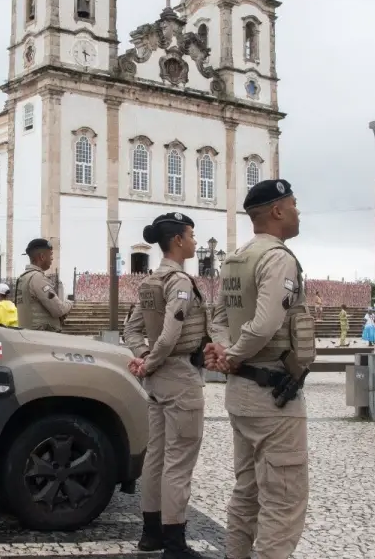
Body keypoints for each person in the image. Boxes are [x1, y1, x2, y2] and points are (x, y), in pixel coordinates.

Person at [203, 179, 312, 559]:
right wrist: (232, 354)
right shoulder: (277, 257)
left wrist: (224, 349)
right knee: (283, 500)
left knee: (247, 491)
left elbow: (217, 316)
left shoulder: (235, 258)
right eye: (294, 204)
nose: (299, 211)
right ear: (278, 211)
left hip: (241, 393)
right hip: (272, 395)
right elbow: (266, 324)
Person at [122, 212, 208, 559]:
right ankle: (175, 545)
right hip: (179, 376)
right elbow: (172, 333)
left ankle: (151, 535)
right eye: (191, 235)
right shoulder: (180, 282)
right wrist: (152, 362)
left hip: (157, 381)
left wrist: (143, 359)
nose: (195, 241)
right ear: (177, 240)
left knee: (155, 458)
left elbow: (131, 331)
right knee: (179, 462)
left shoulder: (150, 282)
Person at [14, 238, 72, 331]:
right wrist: (70, 303)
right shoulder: (37, 278)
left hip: (28, 336)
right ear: (42, 257)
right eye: (51, 254)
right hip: (42, 338)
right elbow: (58, 310)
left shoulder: (22, 278)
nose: (52, 258)